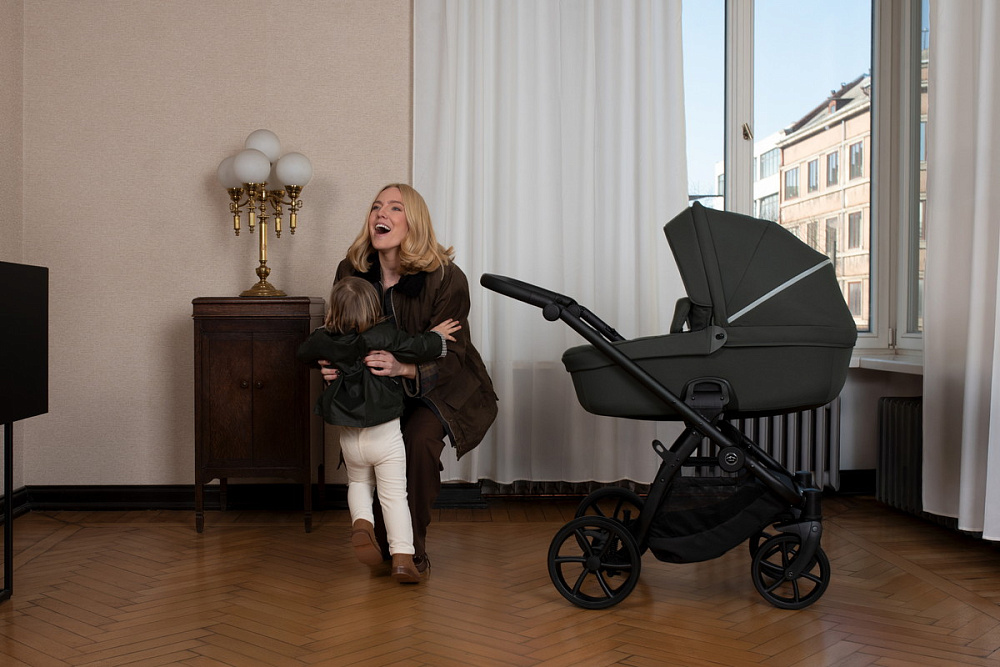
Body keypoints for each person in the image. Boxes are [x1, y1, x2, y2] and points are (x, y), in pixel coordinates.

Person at [320, 183, 498, 577]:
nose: (381, 214)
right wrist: (331, 364)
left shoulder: (447, 277)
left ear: (413, 222)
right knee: (374, 447)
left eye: (395, 208)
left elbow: (453, 354)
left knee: (417, 440)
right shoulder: (350, 271)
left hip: (441, 384)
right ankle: (382, 539)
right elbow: (337, 332)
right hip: (377, 387)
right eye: (376, 206)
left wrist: (405, 368)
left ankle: (411, 551)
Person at [298, 276, 461, 584]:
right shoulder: (384, 334)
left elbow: (304, 351)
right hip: (384, 435)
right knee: (394, 496)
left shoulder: (327, 339)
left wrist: (325, 346)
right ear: (374, 309)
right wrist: (437, 337)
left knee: (358, 482)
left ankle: (362, 524)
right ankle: (403, 558)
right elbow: (416, 347)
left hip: (350, 436)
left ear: (334, 312)